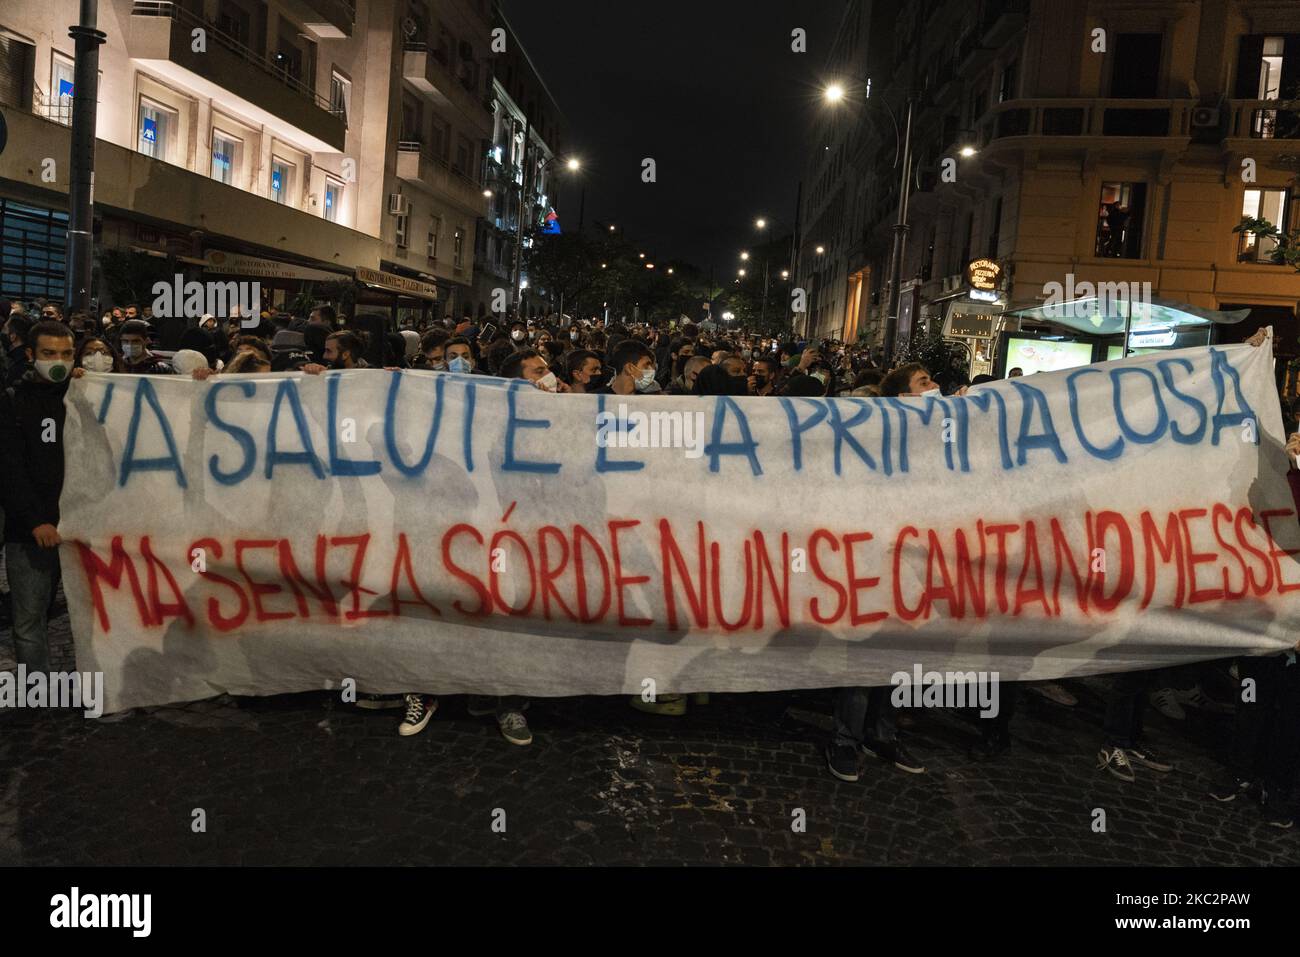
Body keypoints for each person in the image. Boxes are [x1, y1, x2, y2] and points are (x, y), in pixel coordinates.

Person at [0, 320, 79, 676]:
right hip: (31, 532)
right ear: (31, 355)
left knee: (53, 608)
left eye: (66, 353)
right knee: (30, 618)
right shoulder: (13, 400)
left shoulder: (82, 393)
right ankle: (39, 689)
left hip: (78, 527)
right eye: (49, 353)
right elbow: (10, 470)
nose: (58, 360)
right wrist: (36, 520)